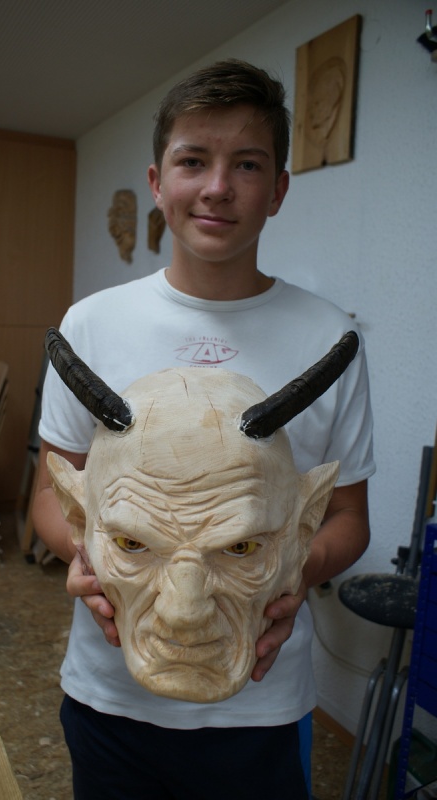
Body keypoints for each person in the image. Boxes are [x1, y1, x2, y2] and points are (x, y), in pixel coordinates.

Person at [33, 58, 375, 799]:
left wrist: (292, 571)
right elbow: (52, 498)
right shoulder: (89, 327)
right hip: (109, 699)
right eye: (193, 161)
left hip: (261, 706)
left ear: (278, 189)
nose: (218, 186)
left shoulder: (330, 339)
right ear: (158, 182)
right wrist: (93, 565)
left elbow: (347, 516)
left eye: (247, 164)